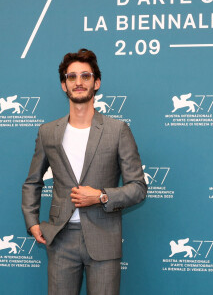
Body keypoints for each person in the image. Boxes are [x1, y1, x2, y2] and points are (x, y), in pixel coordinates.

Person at [22, 48, 147, 295]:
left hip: (104, 238)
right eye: (72, 77)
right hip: (60, 239)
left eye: (86, 76)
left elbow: (138, 188)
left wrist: (101, 196)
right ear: (63, 85)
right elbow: (33, 182)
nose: (78, 82)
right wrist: (32, 222)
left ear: (96, 83)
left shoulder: (118, 130)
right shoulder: (48, 132)